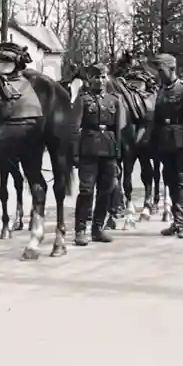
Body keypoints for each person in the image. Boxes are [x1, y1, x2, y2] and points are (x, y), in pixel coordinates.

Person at [68, 63, 126, 246]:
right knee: (86, 190)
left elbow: (119, 129)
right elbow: (74, 129)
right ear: (89, 79)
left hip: (108, 150)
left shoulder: (114, 100)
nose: (100, 81)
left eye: (103, 77)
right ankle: (80, 229)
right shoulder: (83, 100)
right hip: (89, 150)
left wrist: (118, 154)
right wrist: (75, 154)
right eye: (96, 77)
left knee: (106, 190)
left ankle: (98, 228)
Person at [150, 54, 183, 239]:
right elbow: (157, 121)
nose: (158, 74)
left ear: (171, 69)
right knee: (171, 182)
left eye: (161, 70)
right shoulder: (162, 90)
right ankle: (178, 221)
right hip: (166, 143)